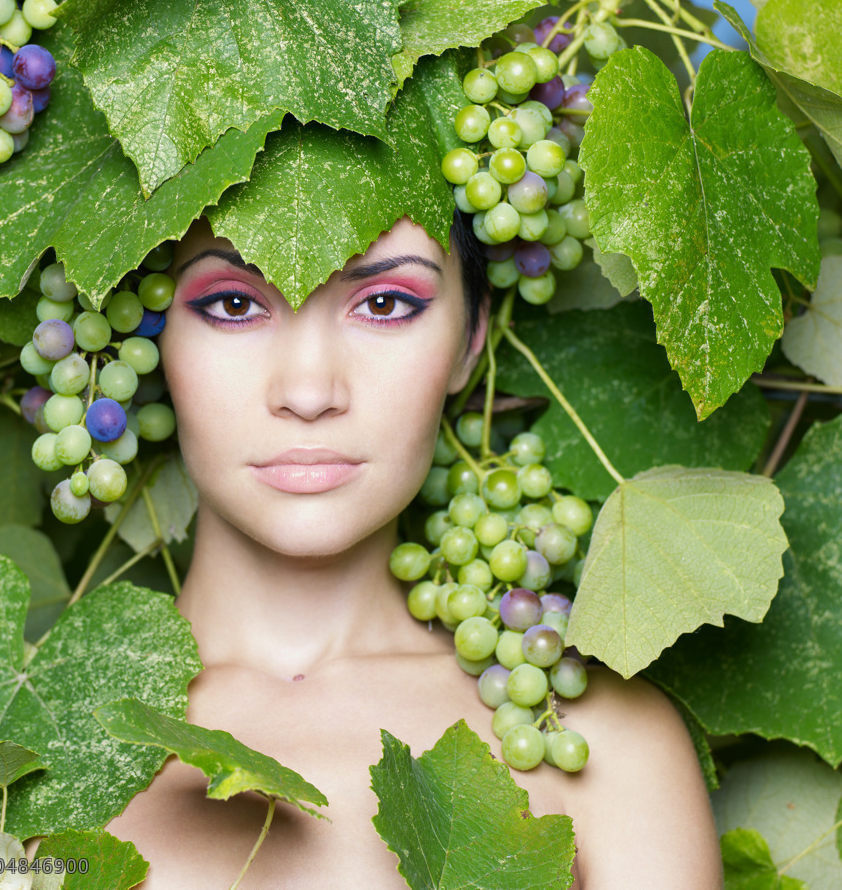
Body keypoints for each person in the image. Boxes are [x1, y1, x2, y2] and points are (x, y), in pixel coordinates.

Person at [101, 212, 723, 888]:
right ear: (149, 334)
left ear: (470, 339)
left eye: (385, 304)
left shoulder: (589, 740)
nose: (308, 394)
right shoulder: (24, 745)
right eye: (234, 304)